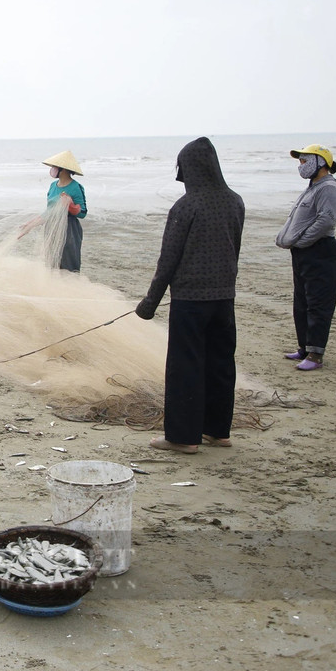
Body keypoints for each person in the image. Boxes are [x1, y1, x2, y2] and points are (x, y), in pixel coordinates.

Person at [136, 137, 244, 454]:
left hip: (190, 302)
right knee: (221, 364)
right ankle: (218, 431)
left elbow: (168, 260)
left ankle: (183, 438)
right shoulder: (235, 201)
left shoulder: (186, 206)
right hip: (224, 299)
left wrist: (149, 304)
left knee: (186, 367)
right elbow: (234, 249)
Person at [275, 144, 336, 371]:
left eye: (305, 161)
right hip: (304, 254)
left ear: (320, 162)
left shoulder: (328, 187)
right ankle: (304, 347)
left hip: (320, 252)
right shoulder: (313, 186)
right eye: (300, 162)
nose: (301, 166)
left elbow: (326, 221)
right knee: (301, 302)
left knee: (317, 303)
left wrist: (301, 242)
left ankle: (315, 355)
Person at [42, 151, 87, 271]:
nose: (53, 169)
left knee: (68, 263)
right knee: (51, 264)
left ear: (64, 169)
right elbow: (49, 210)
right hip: (52, 226)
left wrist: (71, 206)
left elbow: (83, 213)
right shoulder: (53, 186)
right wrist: (29, 225)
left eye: (55, 167)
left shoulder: (75, 187)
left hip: (69, 228)